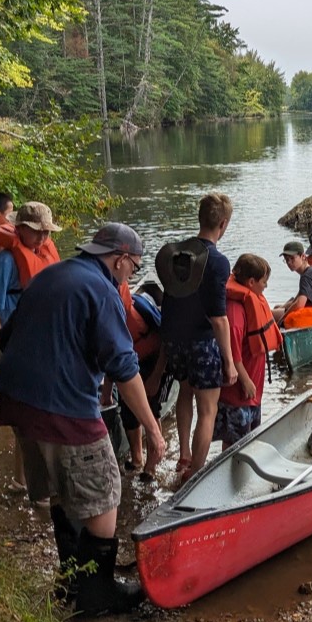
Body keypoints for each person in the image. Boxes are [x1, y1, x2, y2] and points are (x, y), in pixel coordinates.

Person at [0, 222, 165, 615]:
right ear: (120, 259)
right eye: (134, 267)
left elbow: (7, 339)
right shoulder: (101, 289)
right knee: (105, 491)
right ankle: (98, 593)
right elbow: (124, 367)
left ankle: (72, 582)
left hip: (18, 403)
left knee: (61, 491)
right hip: (63, 407)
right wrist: (154, 431)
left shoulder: (51, 274)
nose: (131, 275)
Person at [156, 193, 238, 481]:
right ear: (223, 224)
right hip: (203, 343)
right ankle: (195, 476)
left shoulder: (175, 255)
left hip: (174, 339)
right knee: (208, 410)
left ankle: (184, 456)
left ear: (200, 218)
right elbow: (218, 318)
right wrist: (228, 361)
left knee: (184, 392)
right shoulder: (217, 262)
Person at [0, 201, 61, 493]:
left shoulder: (42, 253)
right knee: (25, 413)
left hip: (41, 340)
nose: (42, 239)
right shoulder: (6, 262)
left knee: (38, 408)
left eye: (46, 233)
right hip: (15, 342)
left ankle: (28, 478)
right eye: (37, 232)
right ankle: (23, 479)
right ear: (21, 229)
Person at [214, 254, 281, 450]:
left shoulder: (251, 299)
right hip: (239, 394)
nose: (265, 287)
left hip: (252, 391)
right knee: (235, 444)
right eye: (263, 282)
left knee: (250, 440)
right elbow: (232, 354)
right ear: (251, 282)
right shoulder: (235, 312)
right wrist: (246, 381)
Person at [115, 281, 173, 477]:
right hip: (131, 363)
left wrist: (156, 376)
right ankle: (137, 458)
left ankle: (151, 466)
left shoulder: (141, 315)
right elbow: (110, 359)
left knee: (151, 407)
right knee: (128, 411)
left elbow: (166, 344)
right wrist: (106, 396)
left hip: (154, 360)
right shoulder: (109, 322)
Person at [273, 240, 312, 325]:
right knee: (277, 308)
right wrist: (281, 307)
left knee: (270, 315)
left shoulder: (307, 276)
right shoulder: (311, 271)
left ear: (303, 256)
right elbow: (297, 300)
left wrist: (281, 319)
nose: (289, 262)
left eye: (292, 258)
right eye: (286, 259)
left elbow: (299, 304)